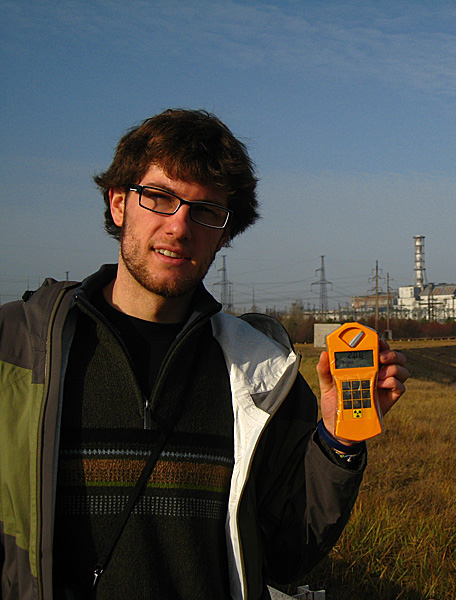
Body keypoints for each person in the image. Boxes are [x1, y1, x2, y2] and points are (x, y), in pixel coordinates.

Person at [0, 109, 408, 600]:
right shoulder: (16, 349)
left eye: (206, 211)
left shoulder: (261, 373)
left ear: (224, 234)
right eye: (159, 198)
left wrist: (338, 442)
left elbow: (286, 555)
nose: (179, 227)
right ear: (118, 204)